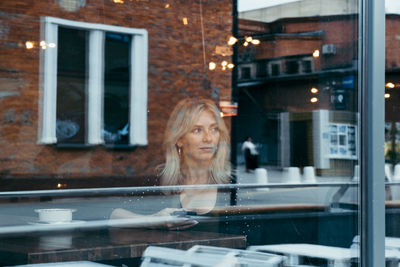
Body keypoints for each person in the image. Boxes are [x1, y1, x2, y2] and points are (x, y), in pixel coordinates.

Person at [110, 98, 231, 229]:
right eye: (197, 130)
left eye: (214, 129)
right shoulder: (159, 180)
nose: (208, 138)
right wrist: (152, 221)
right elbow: (113, 215)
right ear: (179, 139)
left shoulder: (231, 185)